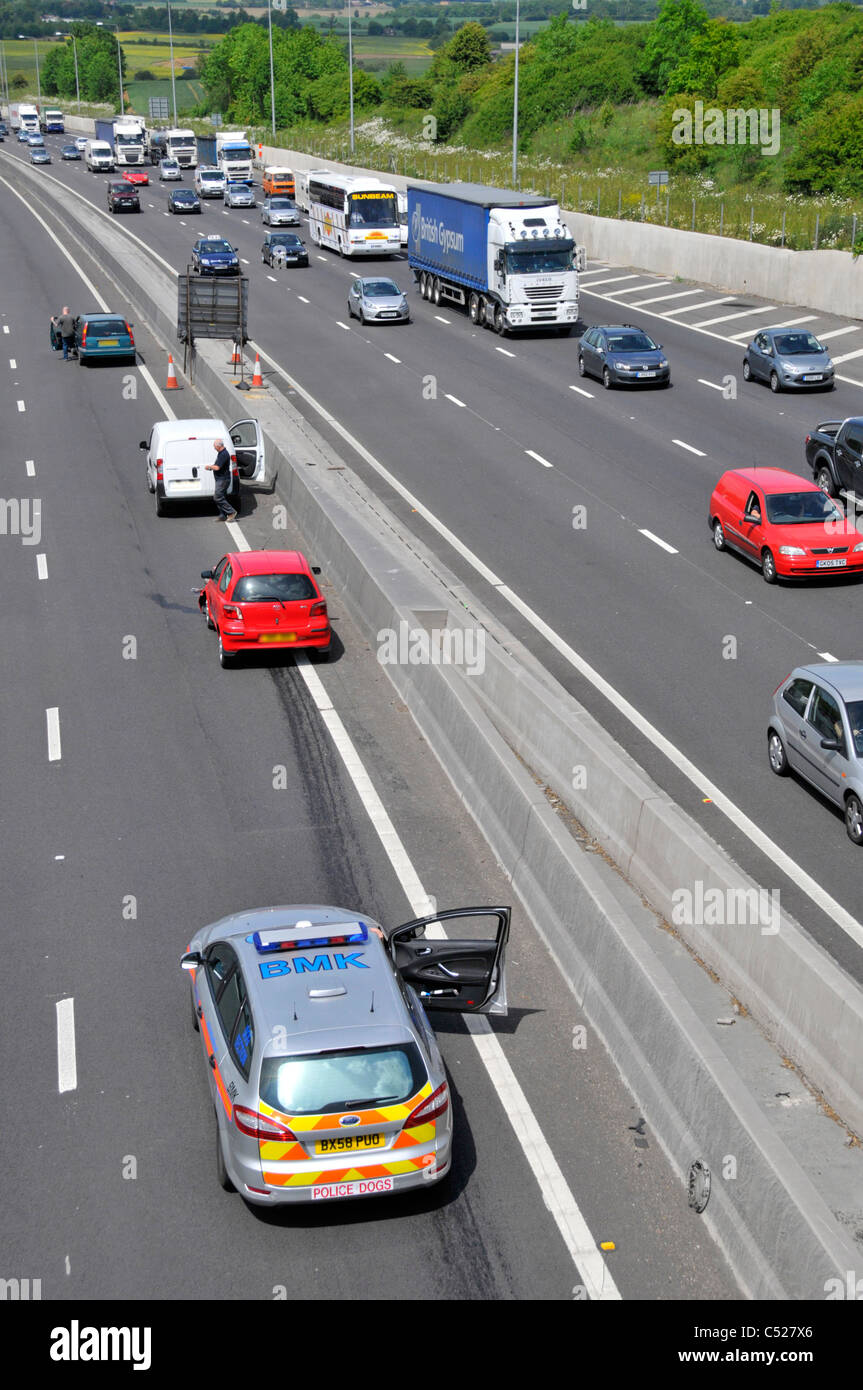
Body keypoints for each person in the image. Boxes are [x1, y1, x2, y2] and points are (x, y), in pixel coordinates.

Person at [204, 439, 238, 523]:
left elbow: (217, 467)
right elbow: (218, 466)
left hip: (223, 479)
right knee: (221, 496)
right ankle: (223, 515)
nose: (214, 448)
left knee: (217, 497)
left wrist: (209, 467)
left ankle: (231, 512)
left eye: (214, 446)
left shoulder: (223, 454)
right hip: (221, 479)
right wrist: (212, 467)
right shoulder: (221, 453)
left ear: (218, 446)